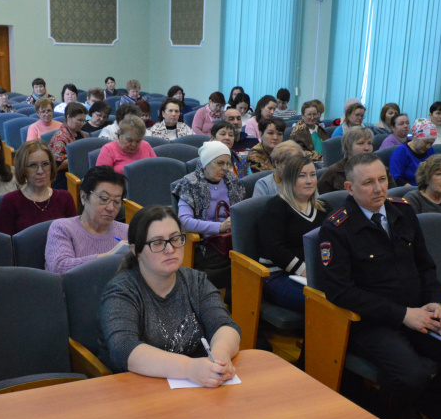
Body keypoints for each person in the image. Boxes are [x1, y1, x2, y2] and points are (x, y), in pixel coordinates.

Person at [317, 153, 441, 419]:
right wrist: (403, 315)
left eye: (382, 180)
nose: (379, 189)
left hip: (419, 313)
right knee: (411, 376)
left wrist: (434, 302)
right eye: (368, 183)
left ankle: (413, 412)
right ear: (349, 188)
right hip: (371, 322)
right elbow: (340, 292)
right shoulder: (338, 227)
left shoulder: (403, 212)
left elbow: (425, 266)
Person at [99, 205, 241, 382]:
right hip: (141, 390)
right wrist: (189, 368)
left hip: (197, 384)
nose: (170, 249)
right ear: (136, 251)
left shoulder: (195, 281)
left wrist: (219, 358)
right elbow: (123, 348)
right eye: (157, 243)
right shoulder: (121, 291)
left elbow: (225, 325)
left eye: (175, 239)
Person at [257, 155, 328, 315]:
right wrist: (305, 271)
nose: (309, 181)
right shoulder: (276, 206)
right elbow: (273, 248)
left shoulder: (323, 207)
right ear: (289, 179)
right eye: (302, 176)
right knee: (326, 302)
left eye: (313, 175)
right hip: (278, 276)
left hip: (315, 273)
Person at [173, 140, 246, 290]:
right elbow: (184, 222)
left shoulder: (231, 180)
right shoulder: (190, 183)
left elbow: (243, 209)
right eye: (220, 163)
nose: (225, 168)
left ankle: (239, 305)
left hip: (233, 239)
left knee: (251, 258)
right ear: (206, 162)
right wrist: (219, 227)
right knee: (240, 263)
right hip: (206, 245)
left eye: (228, 164)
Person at [44, 166, 129, 274]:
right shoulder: (62, 228)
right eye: (104, 199)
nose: (111, 208)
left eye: (117, 201)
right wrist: (108, 257)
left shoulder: (127, 231)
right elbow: (59, 268)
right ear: (84, 197)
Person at [0, 140, 77, 235]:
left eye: (45, 164)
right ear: (23, 169)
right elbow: (6, 245)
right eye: (33, 165)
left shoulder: (65, 198)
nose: (40, 171)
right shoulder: (10, 201)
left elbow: (75, 238)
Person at [317, 127, 375, 194]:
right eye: (361, 143)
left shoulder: (380, 169)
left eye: (369, 143)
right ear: (348, 147)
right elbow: (319, 199)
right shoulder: (334, 172)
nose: (367, 148)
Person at [49, 102, 88, 189]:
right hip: (64, 178)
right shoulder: (60, 137)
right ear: (68, 117)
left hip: (80, 173)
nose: (82, 124)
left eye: (84, 121)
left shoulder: (81, 134)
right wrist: (79, 159)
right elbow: (57, 165)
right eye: (79, 120)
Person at [389, 119, 438, 186]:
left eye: (431, 143)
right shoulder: (401, 152)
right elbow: (395, 178)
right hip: (406, 191)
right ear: (415, 137)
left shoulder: (431, 151)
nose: (428, 146)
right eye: (426, 142)